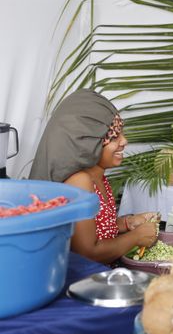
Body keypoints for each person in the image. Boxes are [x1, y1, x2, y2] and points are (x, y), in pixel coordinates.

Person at [29, 89, 159, 265]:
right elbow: (88, 252)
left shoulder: (97, 176)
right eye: (114, 137)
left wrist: (127, 223)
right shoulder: (80, 182)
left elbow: (96, 228)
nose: (124, 141)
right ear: (88, 143)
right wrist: (136, 237)